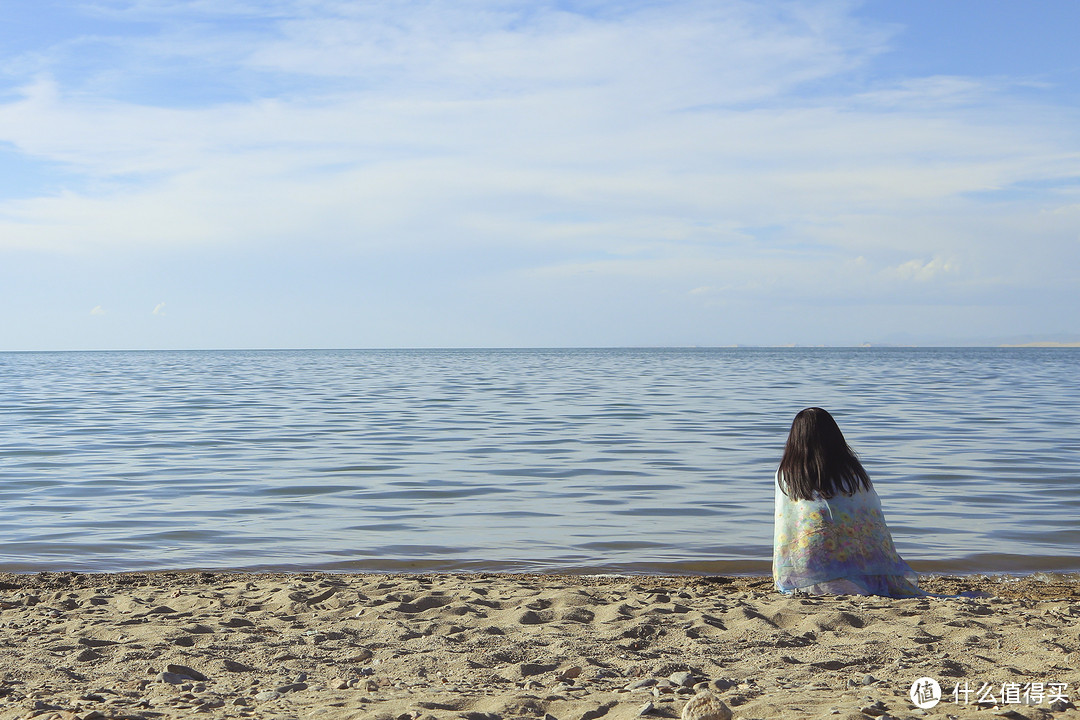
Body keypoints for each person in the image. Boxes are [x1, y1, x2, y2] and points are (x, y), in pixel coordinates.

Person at [772, 407, 922, 597]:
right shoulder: (852, 471)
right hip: (860, 568)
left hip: (808, 572)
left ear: (795, 438)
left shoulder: (787, 474)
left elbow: (785, 526)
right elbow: (872, 518)